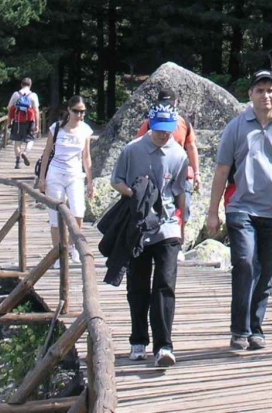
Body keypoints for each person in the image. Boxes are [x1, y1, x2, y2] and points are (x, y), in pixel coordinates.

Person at [206, 69, 272, 351]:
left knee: (264, 272)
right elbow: (222, 171)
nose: (266, 95)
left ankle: (255, 328)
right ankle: (239, 329)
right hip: (241, 207)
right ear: (250, 95)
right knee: (244, 262)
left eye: (270, 90)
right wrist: (213, 212)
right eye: (260, 90)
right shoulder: (236, 127)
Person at [111, 105, 190, 367]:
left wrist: (183, 225)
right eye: (159, 130)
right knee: (138, 284)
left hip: (167, 226)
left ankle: (164, 345)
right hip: (139, 226)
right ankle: (138, 339)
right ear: (150, 125)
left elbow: (180, 190)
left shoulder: (179, 154)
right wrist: (136, 195)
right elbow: (116, 180)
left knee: (165, 284)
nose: (164, 135)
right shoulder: (132, 150)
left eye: (168, 131)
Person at [37, 94, 93, 263]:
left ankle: (72, 247)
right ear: (69, 110)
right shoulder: (56, 128)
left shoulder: (85, 130)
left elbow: (86, 157)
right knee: (55, 214)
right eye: (76, 111)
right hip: (55, 174)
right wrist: (42, 178)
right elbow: (47, 153)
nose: (80, 115)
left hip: (75, 174)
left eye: (83, 112)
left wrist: (91, 182)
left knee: (78, 211)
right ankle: (58, 254)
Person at [135, 89, 201, 193]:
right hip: (156, 173)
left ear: (175, 103)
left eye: (170, 104)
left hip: (179, 172)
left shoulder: (184, 123)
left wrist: (196, 173)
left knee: (185, 204)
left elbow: (191, 147)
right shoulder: (150, 123)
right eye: (164, 104)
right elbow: (137, 146)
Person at [6, 78, 39, 169]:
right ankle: (25, 152)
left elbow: (10, 108)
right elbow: (36, 111)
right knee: (30, 140)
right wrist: (37, 125)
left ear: (21, 84)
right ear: (30, 85)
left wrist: (9, 122)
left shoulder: (16, 94)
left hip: (17, 122)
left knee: (17, 142)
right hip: (29, 122)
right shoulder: (33, 95)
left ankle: (17, 162)